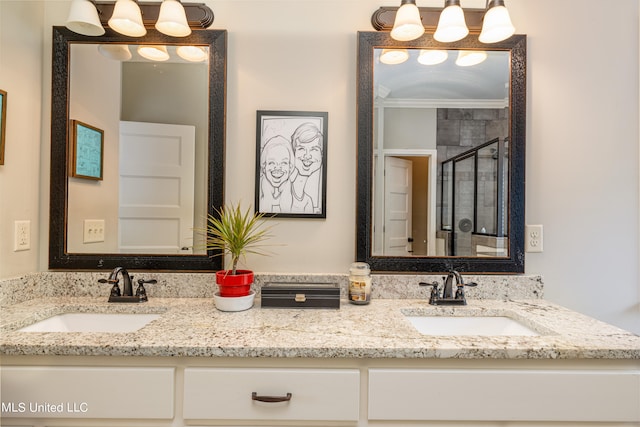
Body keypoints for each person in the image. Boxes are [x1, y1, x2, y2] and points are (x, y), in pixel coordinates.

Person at [290, 122, 323, 213]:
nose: (307, 156)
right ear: (294, 153)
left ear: (322, 154)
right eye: (301, 149)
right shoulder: (283, 189)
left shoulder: (308, 200)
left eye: (314, 149)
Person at [259, 135, 294, 213]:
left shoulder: (299, 199)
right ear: (264, 167)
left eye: (284, 163)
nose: (278, 168)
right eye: (272, 162)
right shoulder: (258, 196)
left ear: (290, 167)